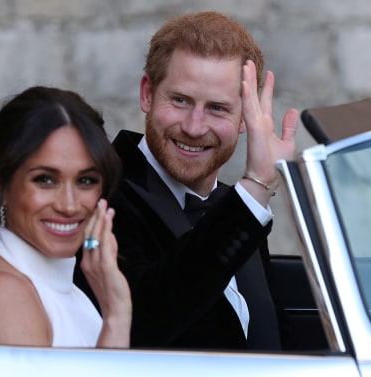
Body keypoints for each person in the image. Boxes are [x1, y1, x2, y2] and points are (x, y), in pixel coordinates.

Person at [74, 11, 299, 350]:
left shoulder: (235, 205)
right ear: (148, 93)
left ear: (244, 119)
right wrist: (255, 189)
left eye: (218, 108)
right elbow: (142, 326)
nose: (194, 127)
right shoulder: (98, 193)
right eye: (180, 100)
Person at [0, 86, 131, 348]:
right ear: (0, 184)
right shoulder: (2, 296)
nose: (69, 205)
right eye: (46, 180)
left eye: (85, 180)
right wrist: (117, 318)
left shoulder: (67, 291)